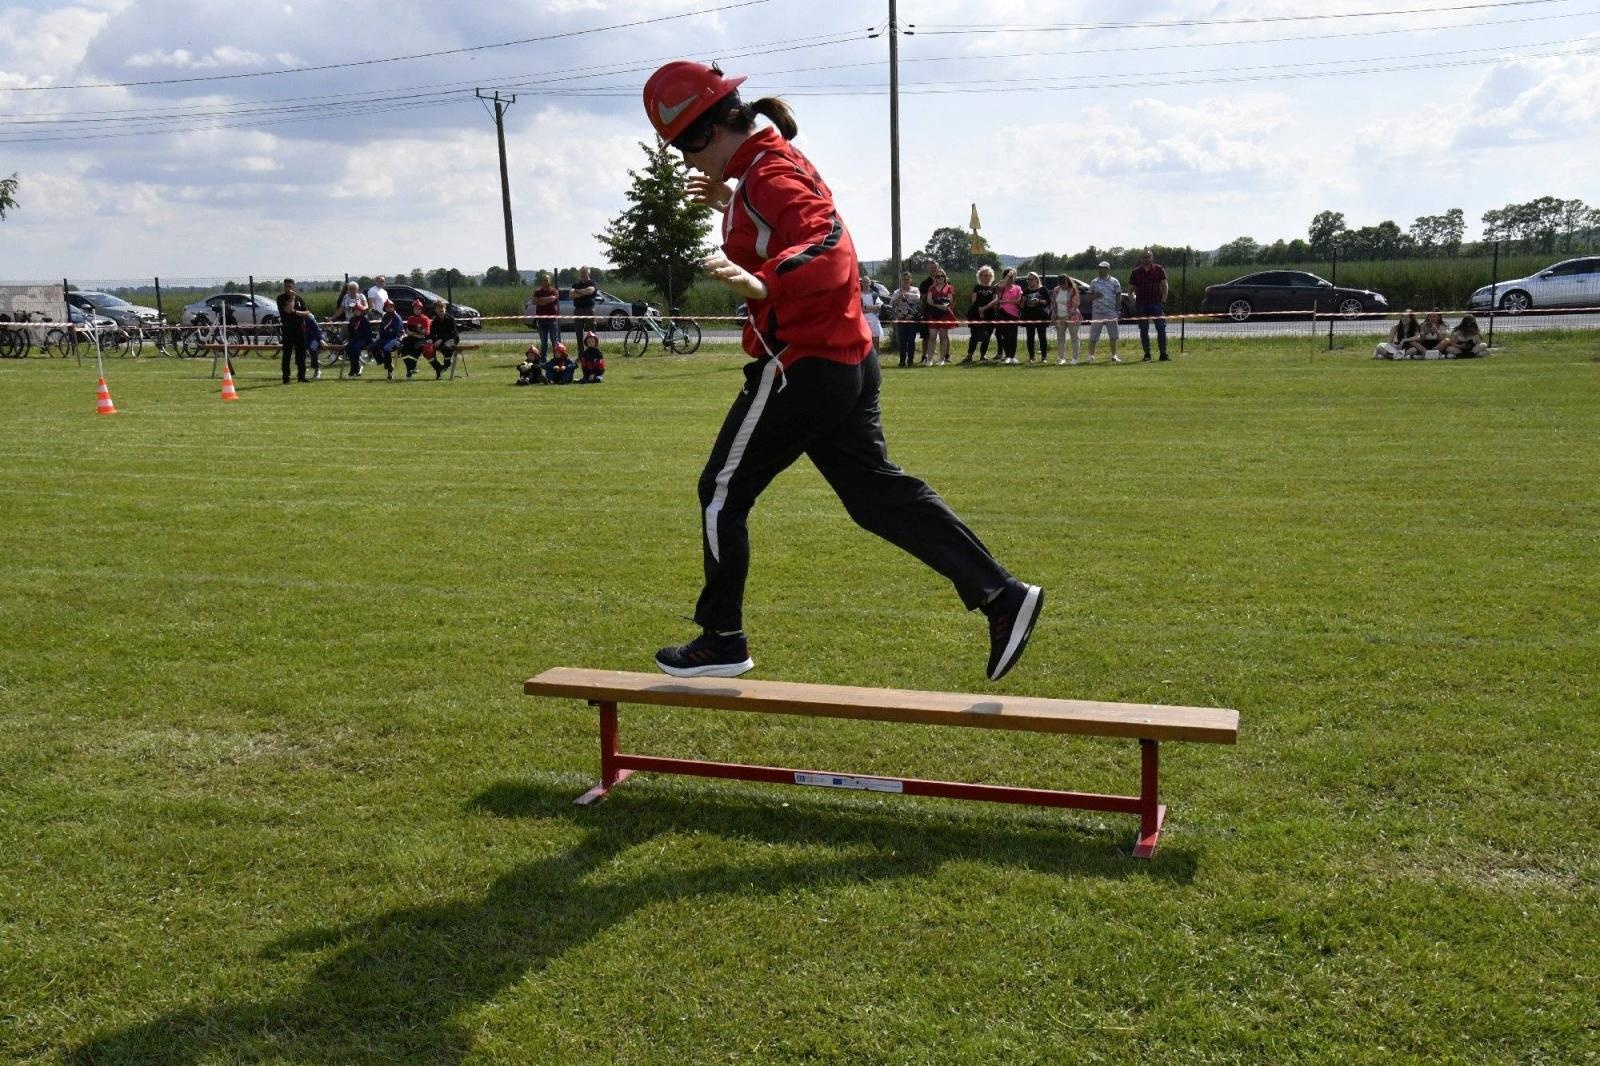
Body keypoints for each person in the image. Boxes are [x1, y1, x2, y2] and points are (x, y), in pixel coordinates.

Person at [641, 59, 1043, 680]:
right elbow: (789, 224)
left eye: (683, 151)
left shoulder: (768, 173)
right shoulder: (766, 167)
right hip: (846, 359)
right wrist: (731, 201)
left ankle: (722, 639)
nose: (688, 164)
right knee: (874, 495)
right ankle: (1002, 594)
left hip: (803, 363)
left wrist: (764, 281)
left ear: (705, 133)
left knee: (720, 492)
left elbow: (830, 247)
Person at [1129, 250, 1169, 361]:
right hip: (1141, 305)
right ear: (1141, 259)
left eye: (1148, 257)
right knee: (1143, 330)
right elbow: (1131, 290)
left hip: (1156, 304)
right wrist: (1133, 301)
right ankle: (1147, 354)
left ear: (1152, 257)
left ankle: (1163, 354)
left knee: (1161, 328)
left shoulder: (1159, 269)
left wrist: (1163, 301)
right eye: (1144, 257)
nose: (1146, 259)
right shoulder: (1135, 272)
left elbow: (1165, 286)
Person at [275, 278, 313, 384]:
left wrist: (295, 312)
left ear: (294, 287)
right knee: (287, 354)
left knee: (301, 354)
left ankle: (301, 376)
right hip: (288, 330)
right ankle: (286, 378)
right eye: (285, 286)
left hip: (300, 329)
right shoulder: (281, 298)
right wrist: (292, 298)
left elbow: (307, 313)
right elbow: (288, 310)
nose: (287, 289)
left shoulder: (299, 298)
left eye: (289, 286)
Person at [1087, 261, 1122, 363]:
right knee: (1093, 336)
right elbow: (1089, 297)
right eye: (1099, 268)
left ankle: (1114, 355)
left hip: (1111, 312)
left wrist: (1118, 309)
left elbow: (1118, 295)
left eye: (1102, 268)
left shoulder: (1115, 281)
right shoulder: (1094, 282)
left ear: (1108, 269)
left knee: (1113, 336)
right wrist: (1095, 296)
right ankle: (1091, 356)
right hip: (1097, 313)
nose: (1100, 270)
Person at [887, 272, 922, 368]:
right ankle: (902, 361)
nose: (905, 281)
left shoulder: (915, 290)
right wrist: (899, 298)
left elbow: (918, 298)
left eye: (907, 279)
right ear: (901, 281)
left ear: (911, 280)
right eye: (904, 279)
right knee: (902, 341)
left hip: (912, 319)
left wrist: (907, 294)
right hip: (901, 320)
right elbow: (892, 303)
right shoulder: (897, 292)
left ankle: (910, 361)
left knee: (911, 341)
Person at [923, 267, 957, 364]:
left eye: (942, 276)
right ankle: (929, 359)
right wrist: (938, 305)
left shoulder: (949, 287)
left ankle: (942, 359)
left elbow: (950, 299)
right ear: (935, 278)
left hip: (945, 314)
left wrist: (944, 305)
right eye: (938, 276)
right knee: (932, 337)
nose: (940, 278)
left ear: (945, 277)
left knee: (943, 337)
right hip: (934, 314)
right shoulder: (931, 288)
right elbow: (929, 301)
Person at [965, 265, 996, 363]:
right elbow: (974, 301)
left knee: (987, 336)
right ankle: (969, 355)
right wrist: (980, 310)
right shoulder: (977, 287)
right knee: (974, 335)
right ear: (980, 276)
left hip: (989, 315)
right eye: (984, 275)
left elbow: (994, 301)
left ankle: (983, 355)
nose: (987, 277)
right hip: (975, 314)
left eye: (989, 275)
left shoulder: (993, 288)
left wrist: (984, 309)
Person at [991, 267, 1022, 364]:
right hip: (1003, 313)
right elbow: (999, 287)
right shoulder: (1001, 286)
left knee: (1013, 336)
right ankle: (1007, 356)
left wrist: (1006, 301)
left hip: (1014, 314)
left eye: (1013, 276)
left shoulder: (1018, 288)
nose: (1012, 278)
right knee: (1005, 335)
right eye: (1010, 276)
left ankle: (1012, 356)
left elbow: (1018, 301)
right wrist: (1008, 275)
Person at [528, 271, 561, 361]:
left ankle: (557, 359)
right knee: (543, 342)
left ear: (550, 281)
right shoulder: (537, 292)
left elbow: (553, 299)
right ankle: (543, 360)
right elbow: (534, 301)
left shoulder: (554, 291)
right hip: (541, 320)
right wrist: (546, 300)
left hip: (552, 320)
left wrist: (541, 300)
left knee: (554, 341)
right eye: (543, 280)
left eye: (546, 280)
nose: (545, 281)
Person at [1020, 271, 1051, 362]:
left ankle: (1044, 357)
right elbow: (1021, 306)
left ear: (1037, 280)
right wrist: (1023, 300)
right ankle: (1031, 357)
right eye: (1028, 279)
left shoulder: (1043, 289)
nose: (1029, 281)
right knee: (1030, 337)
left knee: (1042, 337)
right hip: (1029, 316)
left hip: (1041, 316)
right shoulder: (1026, 291)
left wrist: (1039, 301)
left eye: (1031, 279)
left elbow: (1048, 302)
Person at [1051, 275, 1082, 365]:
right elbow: (1053, 303)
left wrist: (1068, 316)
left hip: (1072, 318)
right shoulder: (1056, 290)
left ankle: (1075, 358)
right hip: (1059, 318)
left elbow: (1075, 304)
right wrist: (1053, 313)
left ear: (1068, 281)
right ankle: (1061, 358)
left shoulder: (1073, 290)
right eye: (1061, 284)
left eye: (1064, 283)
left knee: (1074, 338)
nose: (1063, 285)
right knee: (1060, 339)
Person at [427, 298, 459, 378]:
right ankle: (438, 368)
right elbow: (432, 333)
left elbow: (452, 333)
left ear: (445, 308)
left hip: (452, 339)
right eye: (438, 308)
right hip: (440, 341)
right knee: (427, 350)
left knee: (446, 348)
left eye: (442, 307)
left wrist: (441, 340)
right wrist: (431, 340)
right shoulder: (435, 320)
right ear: (435, 310)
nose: (441, 310)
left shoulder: (450, 319)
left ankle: (447, 363)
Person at [399, 299, 431, 379]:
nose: (417, 310)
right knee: (403, 348)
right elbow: (407, 331)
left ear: (422, 309)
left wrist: (415, 331)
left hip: (422, 339)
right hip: (412, 338)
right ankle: (410, 369)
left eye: (419, 309)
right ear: (413, 309)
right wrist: (417, 333)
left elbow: (426, 332)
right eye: (415, 309)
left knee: (415, 349)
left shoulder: (425, 318)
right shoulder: (410, 318)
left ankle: (411, 369)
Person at [916, 261, 940, 364]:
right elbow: (922, 298)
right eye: (931, 268)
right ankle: (924, 356)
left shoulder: (945, 281)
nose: (933, 270)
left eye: (935, 268)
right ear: (928, 269)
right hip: (928, 312)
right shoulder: (924, 283)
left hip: (941, 312)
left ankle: (945, 356)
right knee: (926, 336)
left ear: (938, 268)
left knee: (943, 336)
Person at [570, 266, 597, 352]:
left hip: (589, 310)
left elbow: (590, 291)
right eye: (581, 273)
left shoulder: (592, 283)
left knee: (591, 335)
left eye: (584, 273)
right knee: (579, 335)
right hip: (578, 311)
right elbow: (571, 294)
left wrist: (578, 291)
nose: (583, 275)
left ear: (588, 273)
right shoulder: (575, 284)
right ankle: (581, 356)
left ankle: (593, 354)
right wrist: (584, 292)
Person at [375, 301, 404, 380]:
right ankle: (382, 361)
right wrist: (383, 335)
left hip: (395, 339)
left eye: (391, 307)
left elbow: (396, 331)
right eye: (387, 307)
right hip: (385, 338)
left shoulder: (397, 317)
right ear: (385, 308)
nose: (389, 308)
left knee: (386, 349)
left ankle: (389, 370)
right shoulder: (385, 317)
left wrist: (387, 332)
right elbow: (381, 329)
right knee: (373, 347)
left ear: (394, 307)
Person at [344, 308, 374, 377]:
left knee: (355, 348)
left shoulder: (365, 319)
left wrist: (362, 340)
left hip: (364, 339)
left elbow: (368, 333)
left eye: (358, 311)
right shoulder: (352, 319)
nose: (357, 312)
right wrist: (349, 340)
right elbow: (350, 332)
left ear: (361, 312)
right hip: (355, 339)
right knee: (348, 347)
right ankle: (354, 368)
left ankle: (356, 369)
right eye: (355, 311)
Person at [860, 276, 883, 353]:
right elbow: (859, 309)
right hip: (863, 321)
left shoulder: (874, 295)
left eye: (867, 282)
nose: (866, 284)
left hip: (874, 320)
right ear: (861, 283)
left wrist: (866, 307)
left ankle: (876, 357)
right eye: (864, 282)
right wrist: (872, 308)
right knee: (865, 341)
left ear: (870, 283)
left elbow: (878, 307)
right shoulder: (858, 295)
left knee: (876, 341)